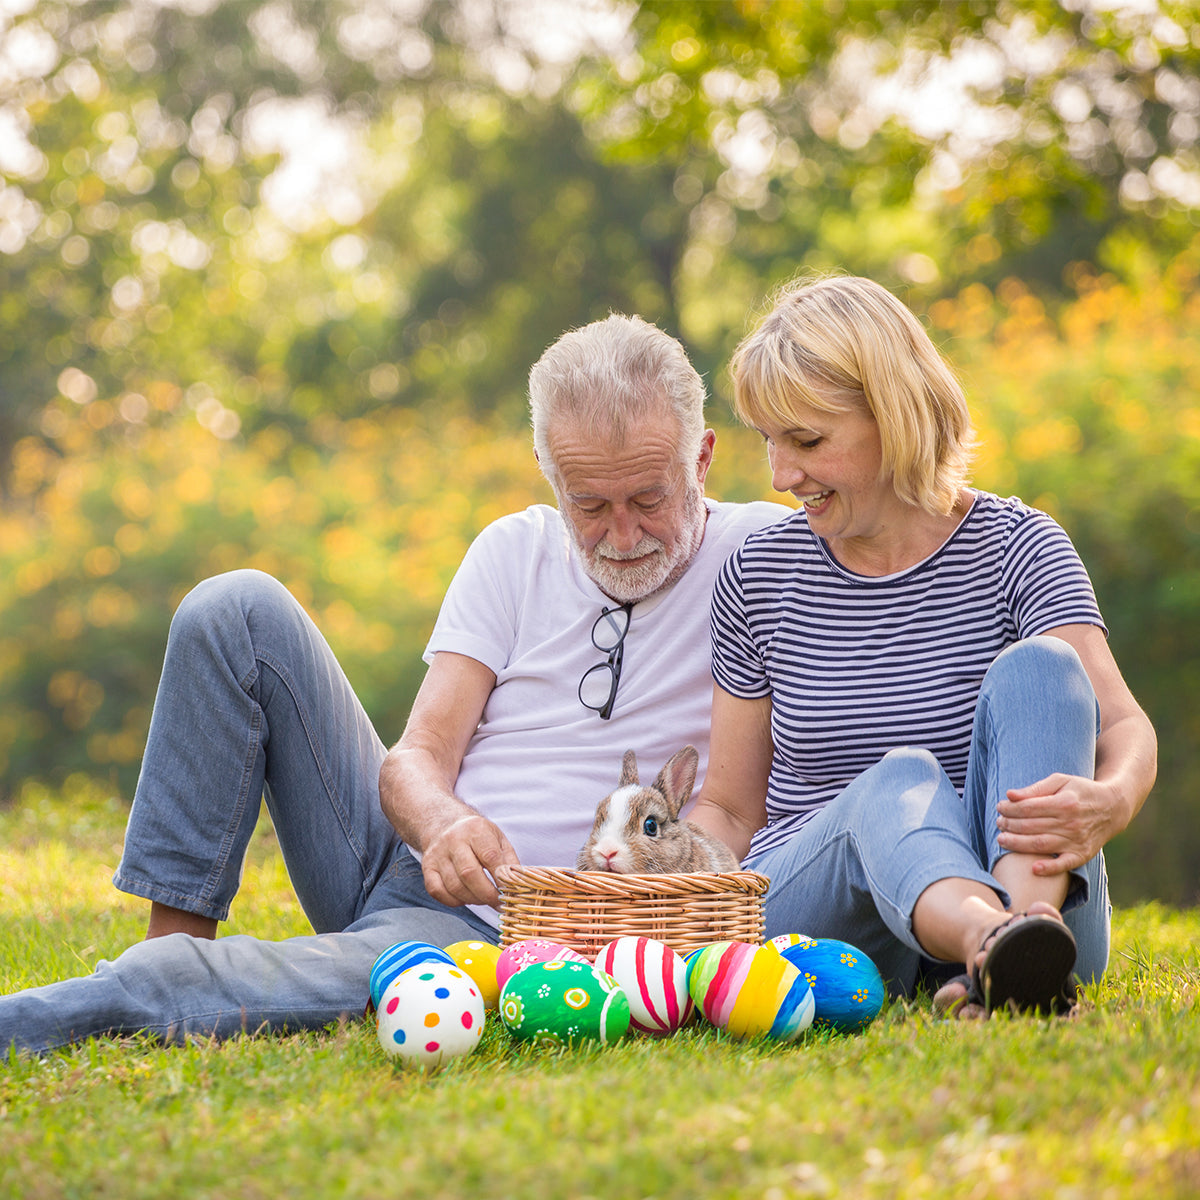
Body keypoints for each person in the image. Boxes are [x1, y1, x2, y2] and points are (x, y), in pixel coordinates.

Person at [0, 314, 786, 1056]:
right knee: (234, 608)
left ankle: (114, 999)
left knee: (303, 969)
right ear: (551, 476)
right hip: (405, 859)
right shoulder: (514, 550)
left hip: (489, 933)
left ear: (704, 458)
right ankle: (171, 945)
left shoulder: (763, 556)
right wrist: (442, 823)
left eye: (649, 499)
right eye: (588, 504)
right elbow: (416, 757)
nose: (621, 536)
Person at [688, 274, 1157, 1018]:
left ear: (895, 414)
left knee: (1044, 668)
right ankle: (992, 946)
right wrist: (674, 894)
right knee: (899, 777)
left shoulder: (1020, 547)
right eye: (770, 443)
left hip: (1037, 893)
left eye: (807, 440)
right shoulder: (760, 573)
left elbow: (1125, 726)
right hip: (825, 923)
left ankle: (1029, 939)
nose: (782, 476)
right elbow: (730, 807)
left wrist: (1113, 799)